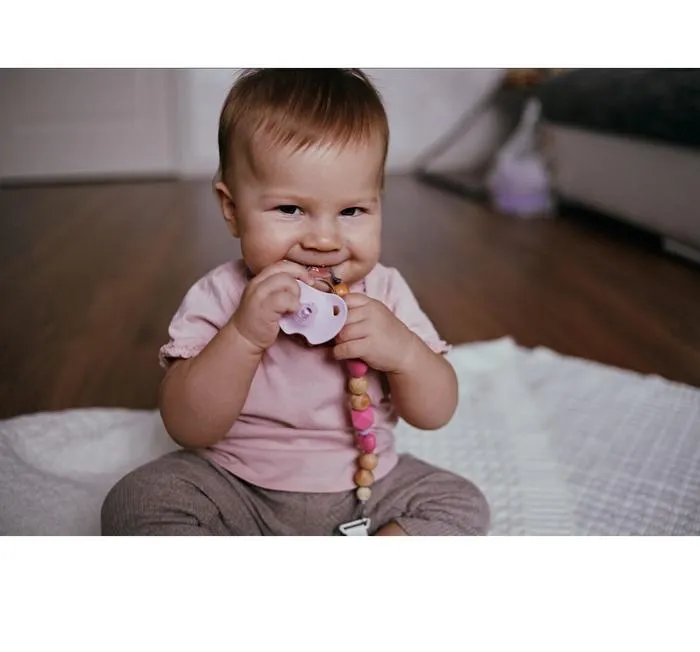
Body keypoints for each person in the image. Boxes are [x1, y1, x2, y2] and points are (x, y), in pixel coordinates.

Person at [101, 69, 490, 536]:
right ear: (232, 210)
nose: (324, 240)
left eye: (352, 211)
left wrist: (405, 353)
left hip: (369, 488)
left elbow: (436, 412)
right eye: (290, 209)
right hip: (235, 487)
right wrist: (243, 335)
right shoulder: (222, 295)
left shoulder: (385, 291)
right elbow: (188, 427)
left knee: (462, 503)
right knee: (136, 500)